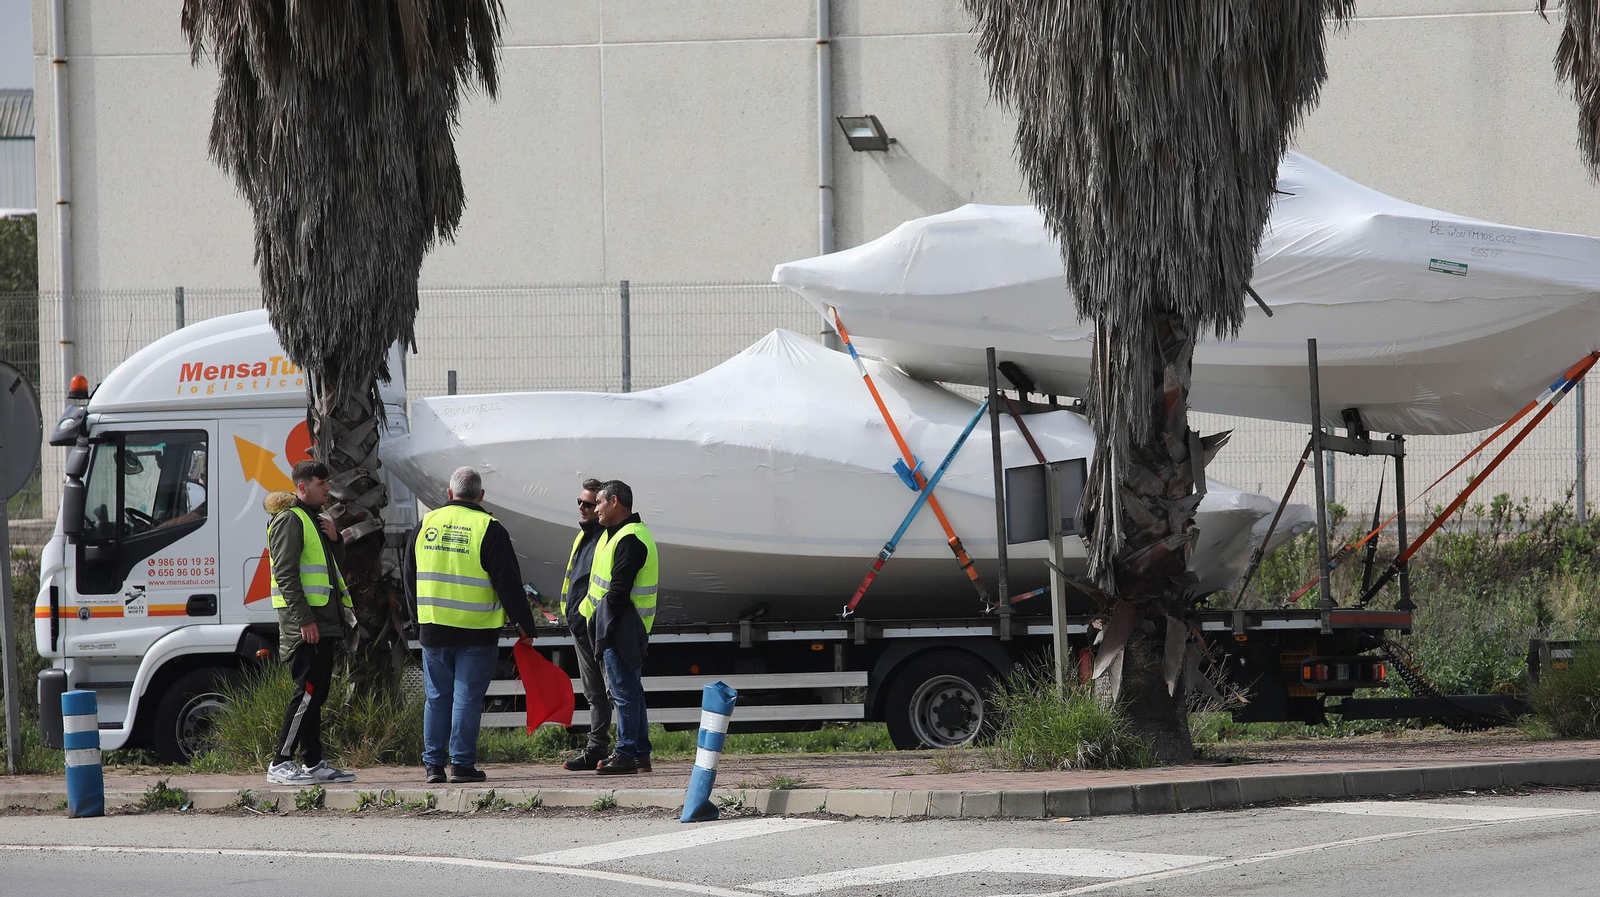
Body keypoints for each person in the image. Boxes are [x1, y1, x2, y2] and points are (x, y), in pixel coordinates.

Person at [405, 466, 540, 784]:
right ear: (480, 496)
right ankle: (462, 766)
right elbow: (508, 582)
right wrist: (525, 625)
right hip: (477, 632)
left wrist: (416, 621)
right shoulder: (489, 528)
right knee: (466, 698)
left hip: (434, 628)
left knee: (438, 698)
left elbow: (410, 577)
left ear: (449, 494)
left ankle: (434, 767)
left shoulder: (425, 524)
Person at [265, 460, 357, 785]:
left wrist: (335, 541)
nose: (328, 489)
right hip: (306, 625)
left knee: (317, 693)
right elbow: (285, 574)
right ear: (302, 487)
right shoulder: (289, 520)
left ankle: (314, 762)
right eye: (322, 484)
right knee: (307, 691)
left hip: (324, 622)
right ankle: (280, 761)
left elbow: (330, 569)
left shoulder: (314, 520)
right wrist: (305, 620)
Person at [580, 479, 658, 775]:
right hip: (620, 622)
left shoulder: (630, 538)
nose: (595, 508)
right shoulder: (616, 535)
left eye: (598, 502)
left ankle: (627, 753)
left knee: (623, 693)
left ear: (615, 502)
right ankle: (638, 753)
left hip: (621, 625)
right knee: (630, 692)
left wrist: (601, 620)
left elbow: (618, 592)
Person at [560, 478, 614, 772]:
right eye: (579, 502)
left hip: (597, 626)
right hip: (581, 626)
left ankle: (630, 750)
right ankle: (596, 749)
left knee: (613, 691)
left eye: (588, 503)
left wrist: (584, 615)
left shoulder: (605, 538)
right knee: (594, 693)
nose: (581, 507)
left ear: (601, 506)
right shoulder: (583, 536)